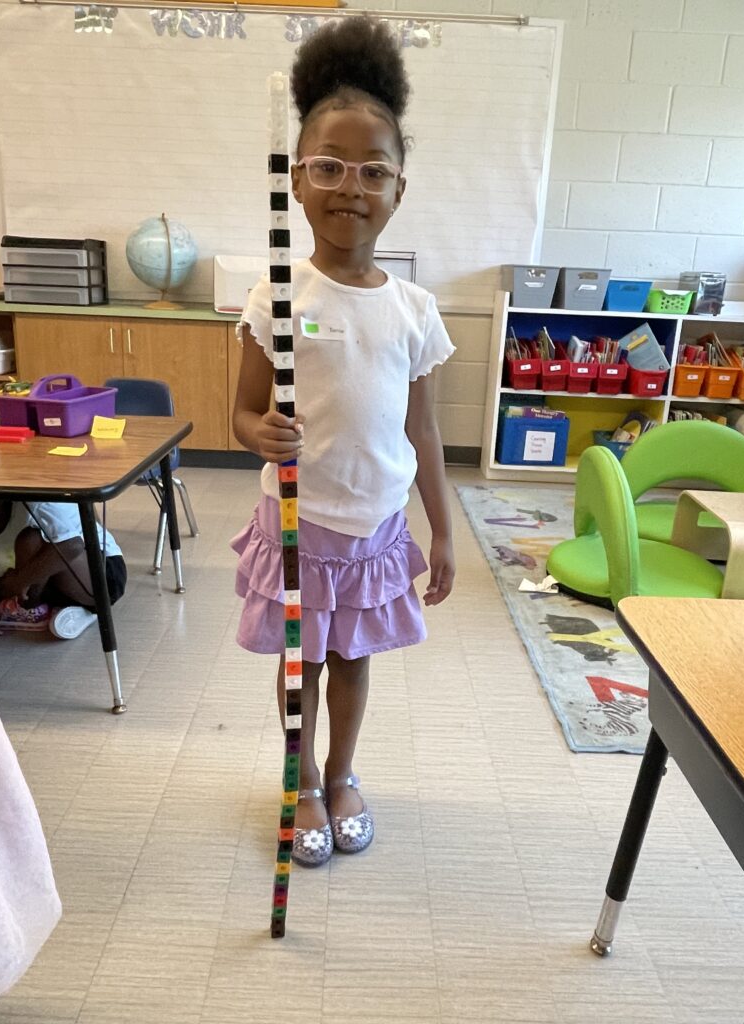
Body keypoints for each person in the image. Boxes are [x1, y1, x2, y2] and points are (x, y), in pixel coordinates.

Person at [232, 16, 456, 868]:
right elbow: (242, 418)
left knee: (355, 663)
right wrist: (267, 431)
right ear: (296, 179)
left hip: (375, 526)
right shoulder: (278, 294)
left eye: (373, 171)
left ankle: (343, 772)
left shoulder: (415, 311)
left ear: (401, 188)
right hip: (299, 521)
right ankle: (301, 784)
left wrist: (443, 533)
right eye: (328, 167)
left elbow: (423, 429)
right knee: (303, 667)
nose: (349, 188)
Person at [0, 436, 62, 1005]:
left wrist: (15, 587)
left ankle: (67, 608)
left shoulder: (34, 520)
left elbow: (71, 552)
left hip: (86, 569)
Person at [0, 499, 126, 641]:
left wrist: (18, 581)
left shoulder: (36, 500)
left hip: (101, 574)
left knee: (30, 539)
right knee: (1, 581)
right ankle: (56, 608)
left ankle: (36, 606)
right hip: (53, 582)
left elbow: (72, 545)